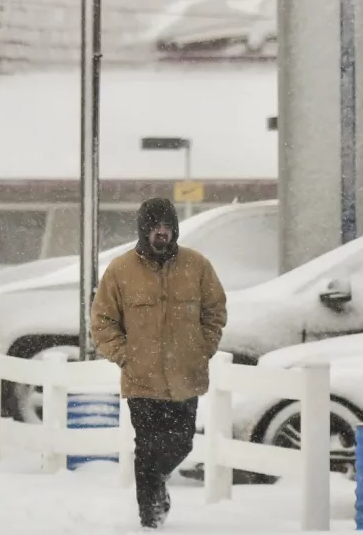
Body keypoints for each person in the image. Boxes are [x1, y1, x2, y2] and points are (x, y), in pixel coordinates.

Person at [90, 198, 228, 529]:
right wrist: (125, 356)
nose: (161, 235)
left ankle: (158, 483)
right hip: (142, 380)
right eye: (155, 229)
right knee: (147, 449)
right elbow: (102, 321)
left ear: (175, 230)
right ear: (143, 231)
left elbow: (215, 312)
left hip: (185, 377)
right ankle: (150, 518)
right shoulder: (120, 271)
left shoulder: (197, 266)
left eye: (167, 228)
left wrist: (201, 349)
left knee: (181, 443)